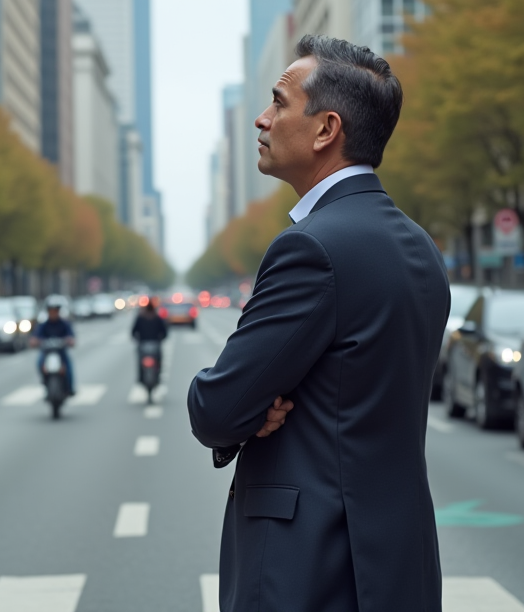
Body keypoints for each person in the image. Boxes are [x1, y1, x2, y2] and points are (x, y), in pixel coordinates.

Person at [187, 35, 450, 612]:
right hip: (399, 565)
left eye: (279, 102)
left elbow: (216, 407)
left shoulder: (310, 248)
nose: (262, 118)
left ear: (327, 129)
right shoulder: (420, 246)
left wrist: (248, 410)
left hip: (308, 569)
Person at [29, 300, 76, 395]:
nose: (53, 313)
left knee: (68, 366)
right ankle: (44, 380)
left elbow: (71, 337)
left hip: (60, 352)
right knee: (39, 362)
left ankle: (70, 387)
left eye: (55, 311)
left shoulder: (64, 324)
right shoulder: (43, 325)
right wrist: (35, 341)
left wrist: (70, 340)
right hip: (47, 352)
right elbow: (35, 336)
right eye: (51, 311)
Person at [131, 300, 168, 382]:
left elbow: (133, 332)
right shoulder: (157, 318)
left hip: (143, 344)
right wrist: (160, 339)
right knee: (159, 361)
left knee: (140, 362)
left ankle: (140, 377)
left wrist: (137, 339)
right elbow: (164, 332)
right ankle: (158, 375)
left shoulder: (140, 318)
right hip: (155, 344)